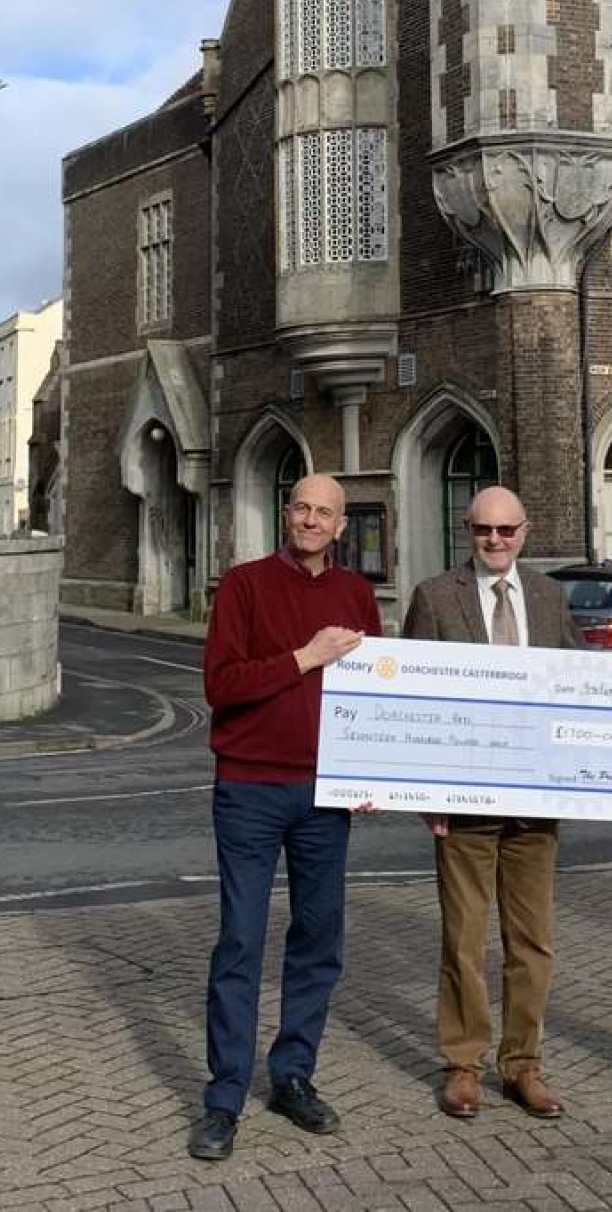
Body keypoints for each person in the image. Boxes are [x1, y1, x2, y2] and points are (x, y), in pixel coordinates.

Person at [189, 474, 381, 1162]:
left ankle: (293, 1074)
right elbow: (222, 685)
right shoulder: (242, 585)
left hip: (326, 795)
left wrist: (371, 773)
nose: (309, 518)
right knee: (240, 941)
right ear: (287, 514)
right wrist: (306, 657)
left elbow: (376, 698)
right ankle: (224, 1096)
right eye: (300, 506)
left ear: (338, 526)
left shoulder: (356, 595)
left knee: (318, 939)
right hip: (248, 788)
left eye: (322, 512)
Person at [401, 486, 580, 1121]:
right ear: (467, 531)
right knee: (465, 940)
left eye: (507, 531)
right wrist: (426, 793)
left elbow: (577, 684)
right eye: (484, 531)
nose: (496, 541)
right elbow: (414, 701)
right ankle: (462, 1065)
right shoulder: (434, 596)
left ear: (525, 532)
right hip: (465, 803)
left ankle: (523, 1066)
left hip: (535, 804)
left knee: (534, 943)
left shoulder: (548, 596)